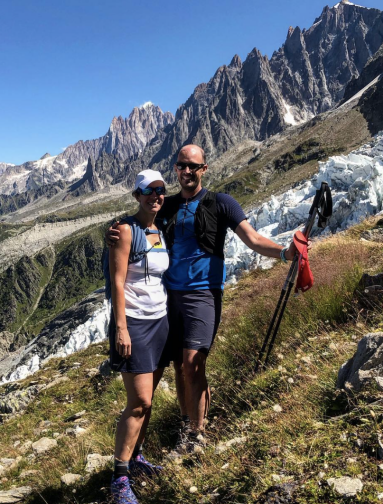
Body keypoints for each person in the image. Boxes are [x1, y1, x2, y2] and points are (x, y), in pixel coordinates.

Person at [107, 145, 298, 458]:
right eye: (182, 165)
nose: (187, 171)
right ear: (176, 168)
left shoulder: (221, 203)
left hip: (203, 295)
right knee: (179, 366)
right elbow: (138, 220)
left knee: (194, 364)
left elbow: (251, 238)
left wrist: (283, 252)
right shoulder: (165, 204)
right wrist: (113, 231)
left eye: (193, 166)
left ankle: (197, 434)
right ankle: (185, 425)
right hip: (168, 299)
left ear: (204, 169)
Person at [108, 169, 171, 504]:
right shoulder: (124, 231)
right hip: (134, 324)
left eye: (160, 190)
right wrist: (121, 328)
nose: (156, 196)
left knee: (148, 400)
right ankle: (119, 478)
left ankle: (137, 459)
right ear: (137, 195)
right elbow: (117, 281)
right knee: (140, 402)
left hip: (160, 322)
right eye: (149, 191)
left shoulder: (159, 229)